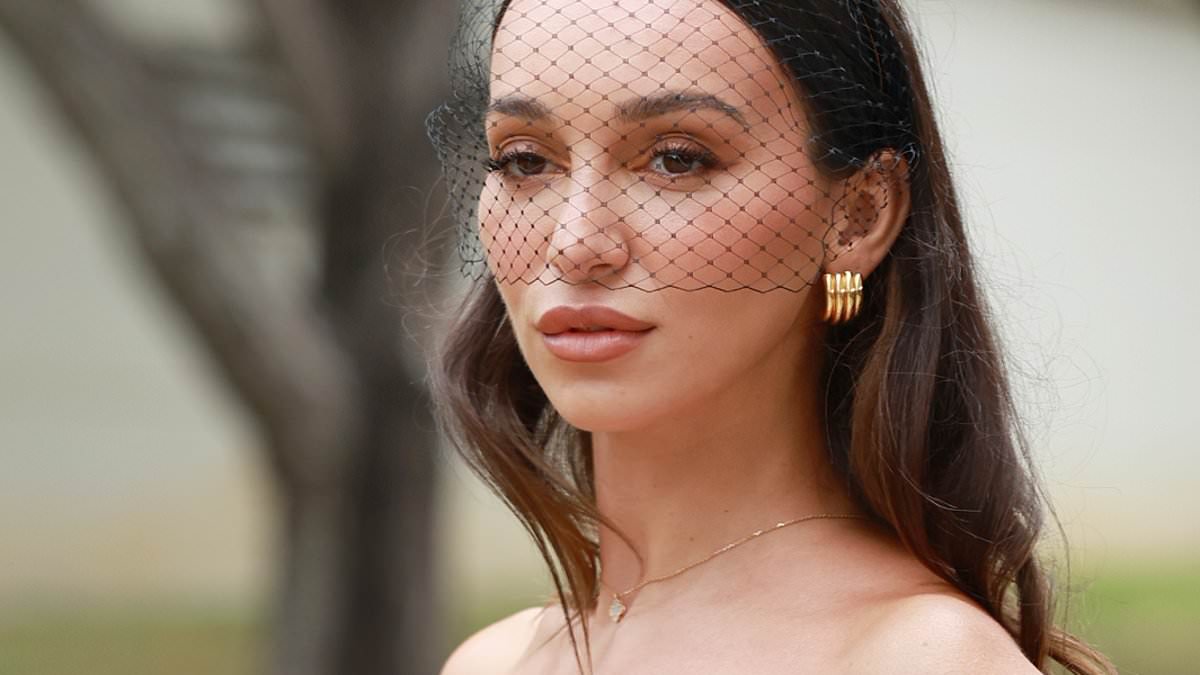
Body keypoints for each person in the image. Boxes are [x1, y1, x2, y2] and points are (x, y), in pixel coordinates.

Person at [426, 0, 1116, 672]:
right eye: (524, 160)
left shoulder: (922, 658)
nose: (576, 244)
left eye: (675, 158)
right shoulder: (494, 660)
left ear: (858, 215)